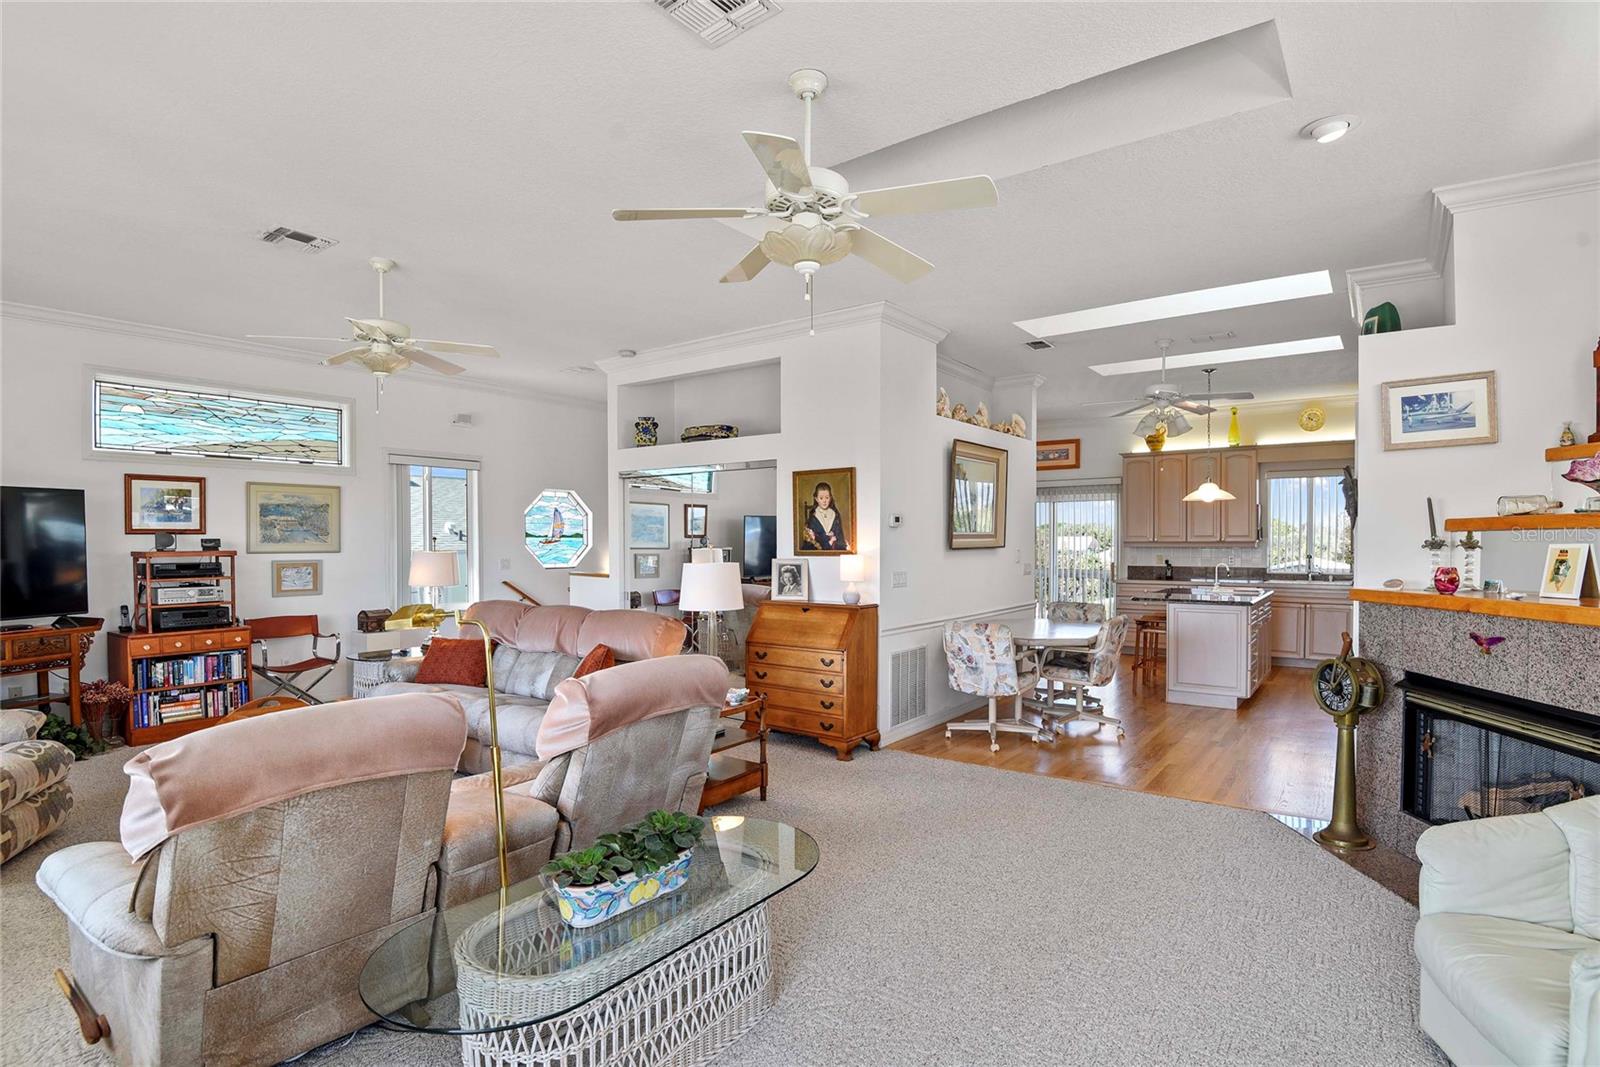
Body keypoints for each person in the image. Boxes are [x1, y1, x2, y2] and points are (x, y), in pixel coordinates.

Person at [801, 481, 850, 553]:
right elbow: (811, 539)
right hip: (818, 549)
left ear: (830, 498)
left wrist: (834, 536)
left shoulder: (835, 514)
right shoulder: (813, 516)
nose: (824, 501)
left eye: (827, 498)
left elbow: (839, 535)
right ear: (816, 499)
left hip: (833, 549)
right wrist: (826, 537)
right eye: (821, 498)